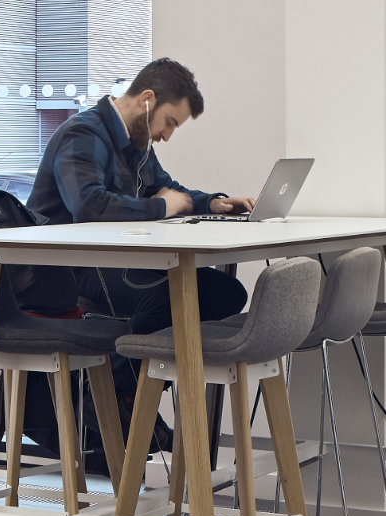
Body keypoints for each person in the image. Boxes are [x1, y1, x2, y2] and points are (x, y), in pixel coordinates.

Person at [26, 57, 256, 337]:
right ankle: (124, 364)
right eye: (169, 123)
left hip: (119, 260)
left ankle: (158, 362)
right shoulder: (82, 134)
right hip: (73, 267)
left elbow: (167, 188)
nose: (167, 136)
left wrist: (213, 203)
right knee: (166, 300)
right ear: (147, 100)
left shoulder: (137, 141)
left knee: (227, 292)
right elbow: (89, 206)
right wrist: (161, 206)